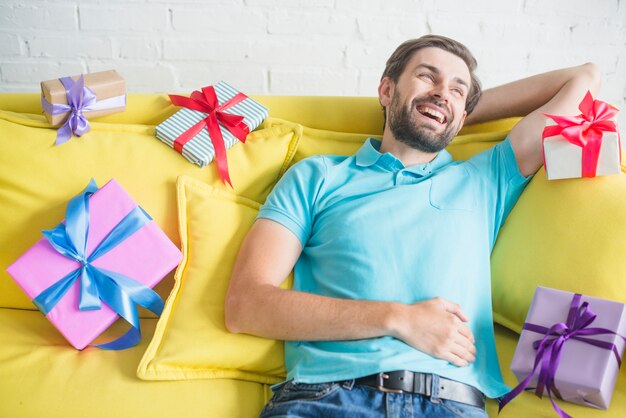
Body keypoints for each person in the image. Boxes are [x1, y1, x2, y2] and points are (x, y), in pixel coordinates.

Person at [224, 35, 599, 418]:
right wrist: (399, 318)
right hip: (327, 399)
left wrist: (452, 108)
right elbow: (246, 305)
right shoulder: (318, 176)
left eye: (458, 89)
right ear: (386, 89)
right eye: (427, 76)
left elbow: (582, 79)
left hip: (452, 406)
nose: (442, 92)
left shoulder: (487, 178)